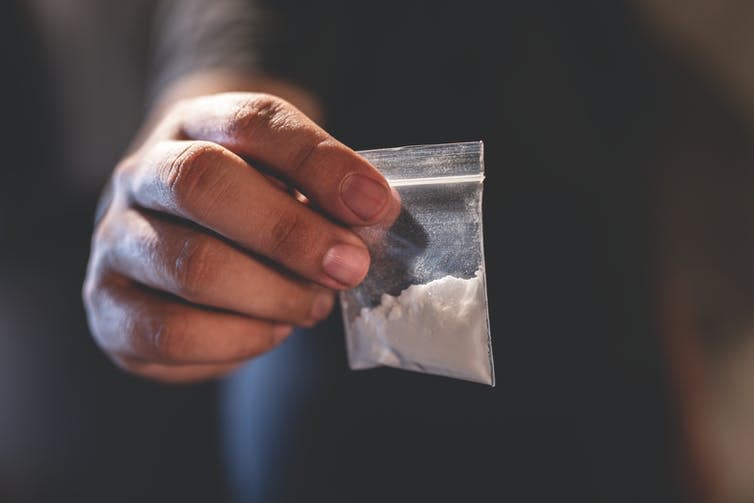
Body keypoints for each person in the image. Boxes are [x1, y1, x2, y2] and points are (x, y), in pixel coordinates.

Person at [82, 0, 754, 501]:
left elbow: (626, 191)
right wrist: (186, 178)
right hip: (376, 445)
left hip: (614, 414)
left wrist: (679, 428)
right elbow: (235, 53)